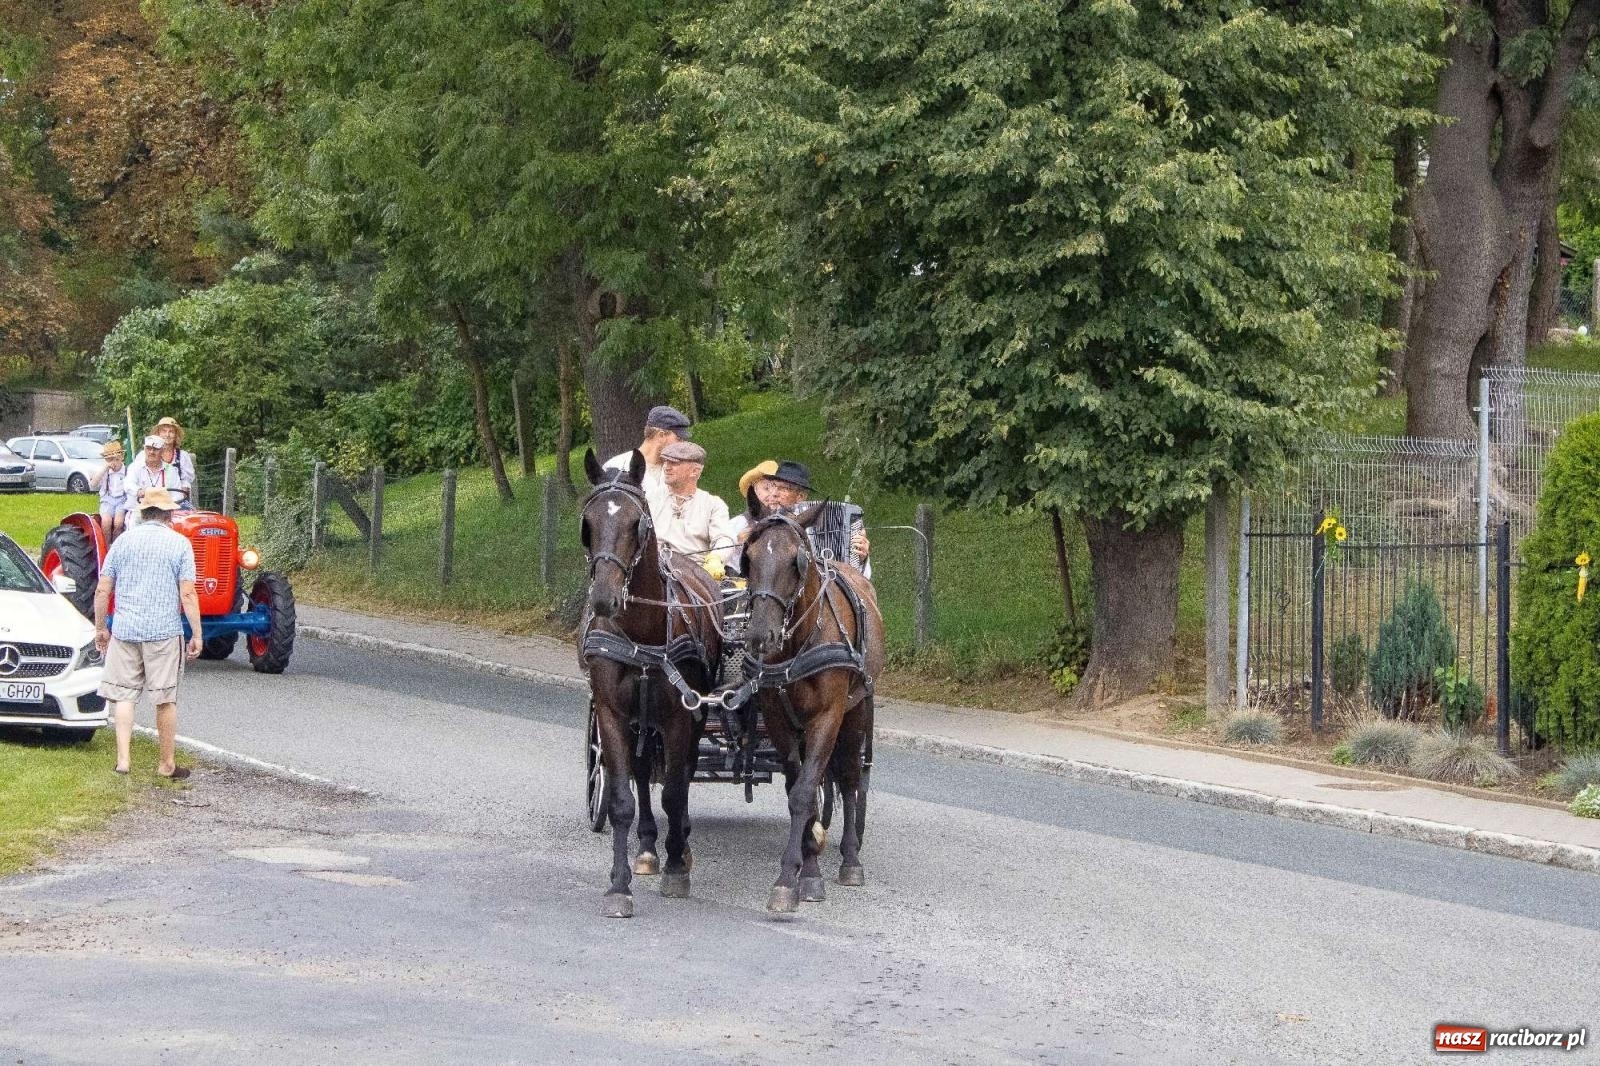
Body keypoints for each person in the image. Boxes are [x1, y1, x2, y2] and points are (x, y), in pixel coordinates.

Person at [93, 486, 202, 780]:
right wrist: (197, 633)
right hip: (163, 630)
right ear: (168, 514)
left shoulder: (123, 542)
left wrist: (101, 628)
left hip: (126, 629)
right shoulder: (180, 544)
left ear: (142, 513)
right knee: (165, 698)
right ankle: (166, 764)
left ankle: (124, 761)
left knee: (125, 696)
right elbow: (188, 593)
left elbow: (103, 589)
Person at [762, 460, 872, 574]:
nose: (774, 493)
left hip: (828, 588)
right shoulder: (761, 521)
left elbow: (861, 580)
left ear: (800, 496)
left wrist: (861, 558)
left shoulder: (824, 519)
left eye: (783, 488)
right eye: (773, 486)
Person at [647, 440, 734, 574]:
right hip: (653, 572)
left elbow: (724, 539)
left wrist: (716, 558)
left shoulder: (713, 504)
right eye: (665, 462)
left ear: (694, 471)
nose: (666, 467)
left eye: (674, 463)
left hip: (696, 575)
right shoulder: (649, 499)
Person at [602, 405, 692, 494]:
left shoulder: (678, 470)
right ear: (661, 436)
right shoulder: (616, 466)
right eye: (679, 439)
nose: (682, 445)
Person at [125, 435, 178, 525]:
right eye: (148, 448)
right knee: (134, 523)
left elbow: (177, 494)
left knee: (176, 525)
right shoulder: (135, 467)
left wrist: (167, 502)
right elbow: (128, 485)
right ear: (144, 449)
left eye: (156, 449)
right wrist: (139, 491)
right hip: (139, 510)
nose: (151, 452)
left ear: (162, 451)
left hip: (163, 511)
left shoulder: (170, 470)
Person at [90, 440, 129, 543]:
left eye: (116, 459)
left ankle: (116, 544)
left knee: (118, 522)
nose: (114, 463)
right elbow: (93, 483)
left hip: (121, 500)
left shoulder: (127, 471)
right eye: (110, 460)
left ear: (122, 457)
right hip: (107, 500)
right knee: (106, 522)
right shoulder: (105, 472)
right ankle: (106, 546)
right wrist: (105, 468)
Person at [153, 416, 195, 505]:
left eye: (171, 431)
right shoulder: (150, 454)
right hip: (154, 500)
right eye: (164, 431)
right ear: (158, 433)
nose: (167, 435)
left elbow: (186, 481)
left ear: (176, 435)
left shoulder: (182, 456)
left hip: (177, 500)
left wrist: (181, 497)